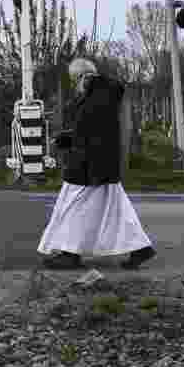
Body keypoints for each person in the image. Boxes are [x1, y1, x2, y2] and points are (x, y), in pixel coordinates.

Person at [38, 57, 156, 270]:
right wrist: (68, 138)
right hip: (101, 165)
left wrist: (67, 139)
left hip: (89, 166)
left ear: (83, 77)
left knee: (73, 208)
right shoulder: (102, 94)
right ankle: (140, 248)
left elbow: (89, 131)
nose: (75, 86)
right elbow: (91, 130)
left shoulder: (96, 97)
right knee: (116, 211)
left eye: (75, 80)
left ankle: (70, 253)